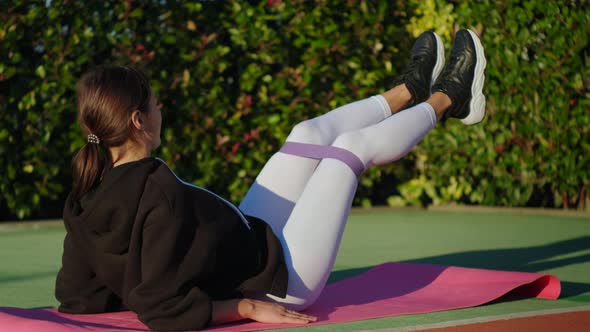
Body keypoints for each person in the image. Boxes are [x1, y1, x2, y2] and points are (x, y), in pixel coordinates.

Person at [55, 29, 486, 331]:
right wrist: (243, 307)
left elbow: (76, 293)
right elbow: (161, 308)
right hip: (282, 279)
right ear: (136, 121)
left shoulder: (85, 193)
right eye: (154, 104)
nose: (160, 108)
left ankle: (407, 90)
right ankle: (449, 98)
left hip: (250, 239)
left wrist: (102, 303)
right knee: (349, 153)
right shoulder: (155, 190)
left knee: (306, 135)